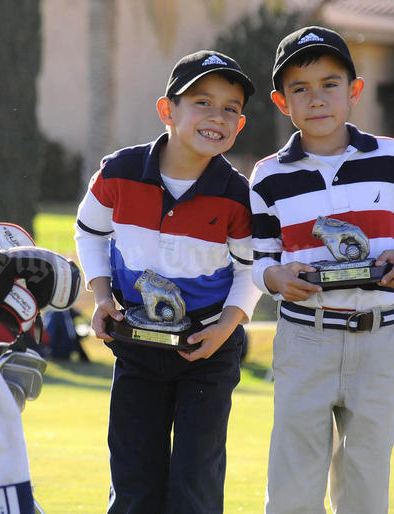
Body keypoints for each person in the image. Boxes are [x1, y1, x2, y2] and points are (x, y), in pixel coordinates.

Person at [249, 26, 394, 513]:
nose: (317, 99)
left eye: (329, 84)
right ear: (281, 102)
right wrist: (274, 279)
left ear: (353, 91)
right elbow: (260, 258)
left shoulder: (392, 159)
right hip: (305, 339)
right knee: (294, 487)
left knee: (365, 487)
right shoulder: (269, 176)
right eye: (300, 88)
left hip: (378, 341)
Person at [75, 50, 262, 513]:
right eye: (202, 102)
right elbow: (90, 232)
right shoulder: (118, 172)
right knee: (135, 482)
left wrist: (225, 329)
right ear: (167, 110)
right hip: (137, 345)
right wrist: (101, 297)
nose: (217, 116)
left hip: (208, 350)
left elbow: (249, 270)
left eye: (231, 109)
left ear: (240, 123)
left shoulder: (239, 196)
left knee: (194, 485)